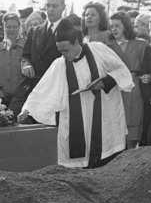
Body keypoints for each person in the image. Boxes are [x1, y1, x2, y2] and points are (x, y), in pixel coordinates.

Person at [18, 21, 134, 168]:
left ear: (77, 42)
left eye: (66, 50)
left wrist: (105, 82)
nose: (64, 55)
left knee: (108, 163)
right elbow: (42, 91)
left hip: (105, 118)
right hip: (77, 125)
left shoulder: (99, 50)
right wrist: (27, 110)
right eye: (60, 51)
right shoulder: (59, 64)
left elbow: (122, 71)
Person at [109, 11, 151, 148]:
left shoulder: (140, 45)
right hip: (114, 88)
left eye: (117, 26)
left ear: (126, 26)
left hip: (133, 88)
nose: (114, 29)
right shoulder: (107, 46)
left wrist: (149, 76)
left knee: (132, 124)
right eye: (111, 26)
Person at [15, 0, 68, 116]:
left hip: (56, 90)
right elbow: (25, 55)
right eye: (48, 6)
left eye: (55, 6)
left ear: (63, 8)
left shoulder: (70, 31)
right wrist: (26, 64)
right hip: (33, 87)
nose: (50, 9)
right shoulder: (35, 31)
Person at [0, 13, 25, 108]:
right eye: (8, 27)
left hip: (22, 98)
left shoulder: (27, 47)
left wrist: (22, 92)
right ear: (4, 28)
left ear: (19, 28)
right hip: (0, 99)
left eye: (14, 27)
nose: (11, 30)